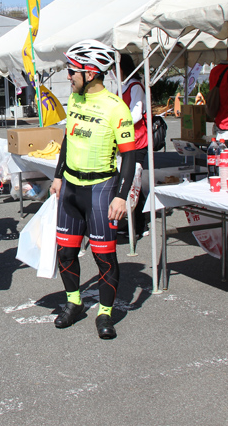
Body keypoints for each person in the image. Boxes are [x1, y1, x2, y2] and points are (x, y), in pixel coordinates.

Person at [49, 40, 137, 340]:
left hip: (101, 188)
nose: (68, 76)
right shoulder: (74, 100)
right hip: (71, 187)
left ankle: (105, 313)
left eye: (72, 70)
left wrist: (122, 195)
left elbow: (130, 154)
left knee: (104, 257)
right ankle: (73, 303)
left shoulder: (116, 107)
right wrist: (59, 175)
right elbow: (67, 141)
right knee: (66, 252)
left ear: (89, 72)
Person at [118, 54, 148, 236]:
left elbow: (136, 114)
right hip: (123, 141)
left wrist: (118, 123)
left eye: (117, 68)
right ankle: (130, 222)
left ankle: (140, 224)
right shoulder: (122, 87)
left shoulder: (136, 87)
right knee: (126, 183)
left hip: (136, 142)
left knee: (133, 183)